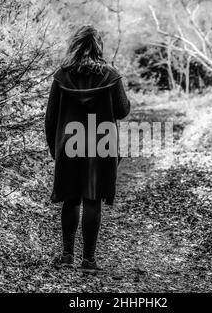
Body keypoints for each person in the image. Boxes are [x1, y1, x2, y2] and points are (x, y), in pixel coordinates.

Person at [45, 25, 130, 273]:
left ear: (75, 46)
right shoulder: (111, 75)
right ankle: (89, 261)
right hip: (100, 145)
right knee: (92, 199)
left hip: (69, 144)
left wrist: (55, 150)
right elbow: (123, 110)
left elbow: (50, 119)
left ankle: (67, 255)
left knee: (71, 198)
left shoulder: (62, 76)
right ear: (98, 47)